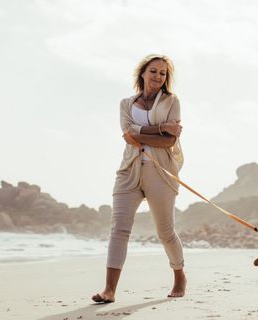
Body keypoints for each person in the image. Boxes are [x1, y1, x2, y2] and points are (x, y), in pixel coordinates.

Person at [92, 54, 186, 303]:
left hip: (161, 173)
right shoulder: (126, 103)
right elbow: (127, 134)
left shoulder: (171, 101)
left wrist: (144, 132)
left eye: (163, 73)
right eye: (153, 71)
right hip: (129, 171)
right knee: (119, 230)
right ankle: (109, 290)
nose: (157, 76)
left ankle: (179, 275)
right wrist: (160, 128)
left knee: (165, 232)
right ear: (142, 73)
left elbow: (169, 141)